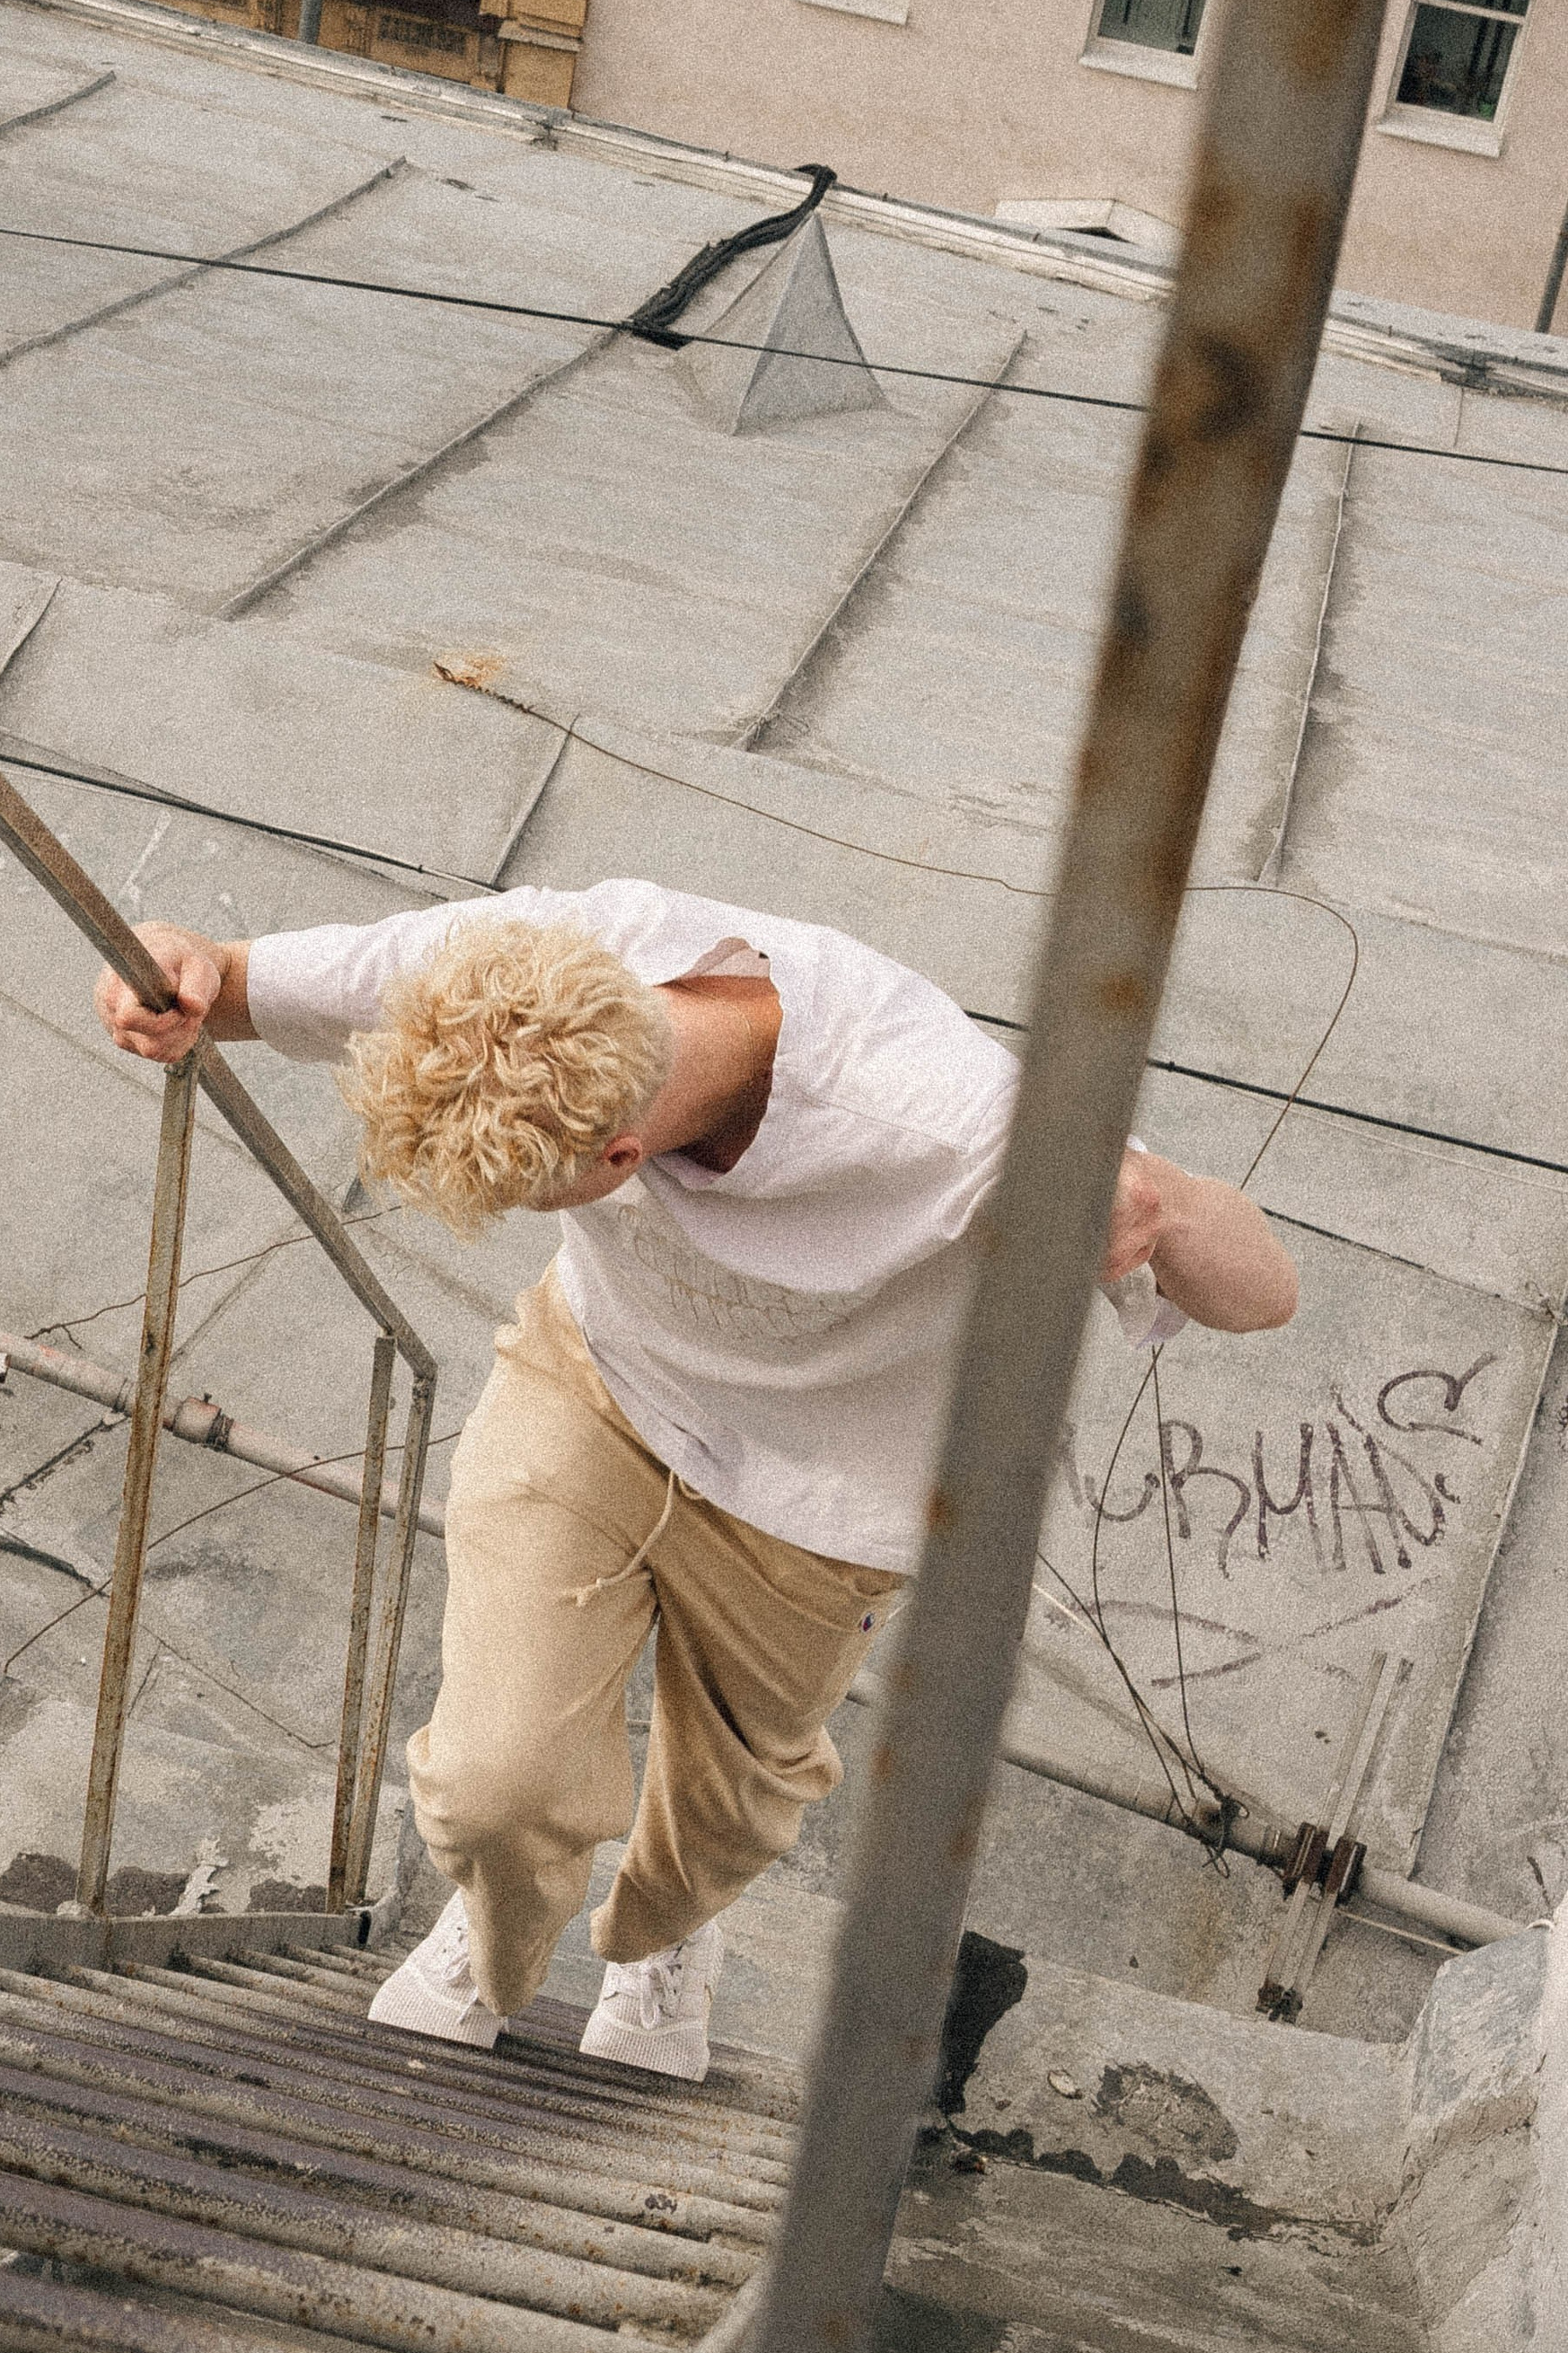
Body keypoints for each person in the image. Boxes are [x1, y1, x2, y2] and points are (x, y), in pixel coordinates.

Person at [94, 882, 1296, 2080]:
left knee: (727, 1816)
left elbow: (1264, 1295)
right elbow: (233, 979)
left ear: (621, 1154)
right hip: (600, 1389)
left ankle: (664, 1941)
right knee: (488, 1790)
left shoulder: (951, 1123)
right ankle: (498, 1931)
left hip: (830, 1496)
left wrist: (1173, 1205)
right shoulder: (514, 966)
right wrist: (172, 963)